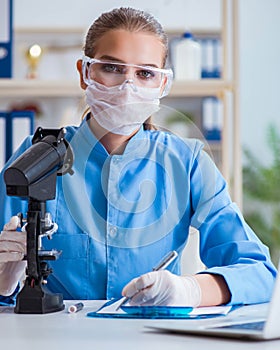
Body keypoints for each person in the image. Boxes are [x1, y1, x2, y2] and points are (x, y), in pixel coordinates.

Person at [0, 7, 277, 308]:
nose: (127, 87)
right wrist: (4, 282)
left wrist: (190, 291)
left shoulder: (187, 162)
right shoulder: (37, 157)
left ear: (162, 84)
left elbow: (259, 272)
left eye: (145, 73)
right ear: (84, 72)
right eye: (112, 68)